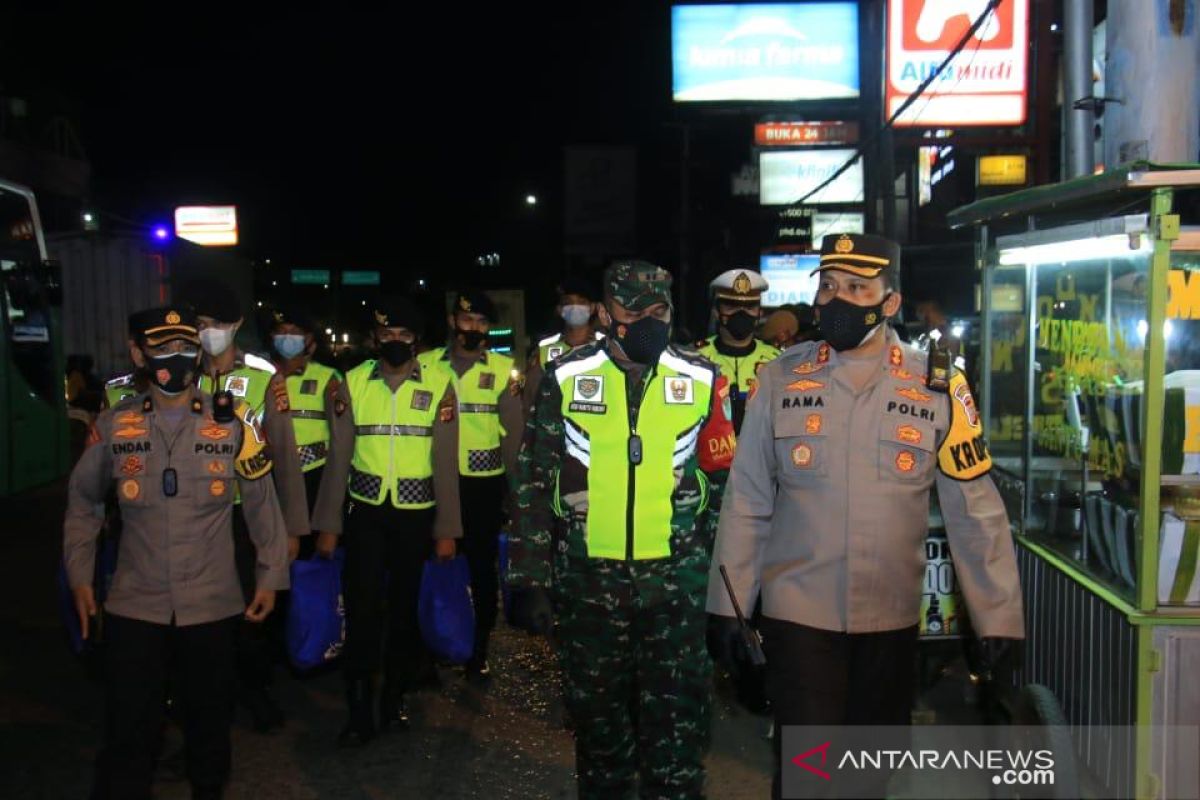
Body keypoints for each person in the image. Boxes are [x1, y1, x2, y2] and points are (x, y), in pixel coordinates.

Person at [705, 233, 1025, 798]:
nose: (837, 299)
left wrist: (998, 619)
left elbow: (974, 510)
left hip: (890, 620)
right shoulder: (780, 380)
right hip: (799, 616)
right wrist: (726, 607)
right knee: (809, 776)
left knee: (868, 779)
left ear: (890, 302)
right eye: (828, 285)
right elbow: (748, 501)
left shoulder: (938, 386)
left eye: (857, 287)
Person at [508, 260, 736, 799]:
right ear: (608, 314)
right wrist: (528, 576)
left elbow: (728, 488)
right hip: (589, 586)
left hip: (676, 587)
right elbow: (534, 480)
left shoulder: (701, 380)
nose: (648, 321)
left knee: (677, 741)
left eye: (658, 310)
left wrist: (733, 595)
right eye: (634, 311)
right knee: (600, 737)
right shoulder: (566, 377)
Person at [63, 306, 288, 800]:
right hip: (134, 604)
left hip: (210, 603)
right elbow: (84, 503)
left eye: (186, 348)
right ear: (138, 354)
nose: (177, 359)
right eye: (163, 349)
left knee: (209, 728)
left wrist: (271, 576)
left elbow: (262, 506)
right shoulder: (114, 425)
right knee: (128, 731)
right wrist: (80, 577)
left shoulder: (235, 426)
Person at [312, 297, 462, 746]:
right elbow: (338, 460)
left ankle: (394, 697)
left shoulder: (440, 384)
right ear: (375, 338)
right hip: (366, 512)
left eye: (404, 334)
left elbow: (446, 461)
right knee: (361, 609)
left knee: (403, 609)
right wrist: (329, 524)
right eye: (387, 334)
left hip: (416, 517)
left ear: (416, 338)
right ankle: (358, 706)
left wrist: (447, 530)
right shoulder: (351, 383)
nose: (395, 341)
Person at [188, 280, 309, 732]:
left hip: (247, 513)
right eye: (201, 324)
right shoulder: (183, 373)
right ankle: (204, 696)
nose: (209, 332)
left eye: (218, 324)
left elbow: (285, 456)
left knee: (250, 608)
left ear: (236, 324)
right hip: (196, 514)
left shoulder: (263, 377)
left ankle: (255, 688)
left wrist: (293, 527)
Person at [421, 289, 523, 679]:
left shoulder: (502, 370)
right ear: (453, 322)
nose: (474, 329)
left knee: (481, 571)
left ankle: (478, 651)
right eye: (467, 321)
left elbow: (512, 438)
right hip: (431, 483)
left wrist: (515, 496)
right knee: (433, 565)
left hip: (481, 488)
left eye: (481, 323)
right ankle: (429, 650)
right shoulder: (427, 364)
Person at [268, 304, 343, 526]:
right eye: (282, 332)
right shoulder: (262, 376)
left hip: (314, 473)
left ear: (308, 338)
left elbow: (341, 435)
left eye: (294, 333)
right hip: (271, 472)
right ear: (272, 336)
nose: (287, 337)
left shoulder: (328, 377)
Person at [697, 269, 780, 433]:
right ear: (716, 312)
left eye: (750, 307)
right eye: (731, 306)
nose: (741, 314)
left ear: (759, 313)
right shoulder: (696, 359)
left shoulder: (776, 359)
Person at [522, 274, 604, 416]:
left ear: (592, 308)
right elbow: (529, 397)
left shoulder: (606, 347)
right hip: (553, 432)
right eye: (568, 302)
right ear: (560, 310)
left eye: (581, 302)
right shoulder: (545, 350)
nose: (575, 307)